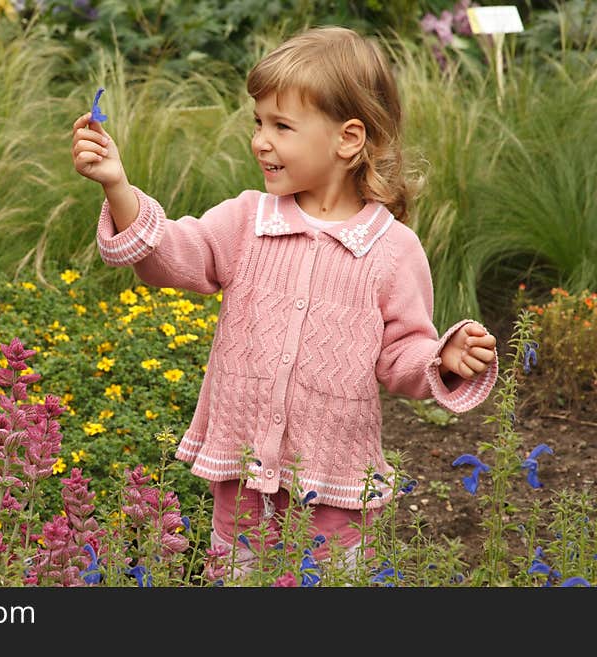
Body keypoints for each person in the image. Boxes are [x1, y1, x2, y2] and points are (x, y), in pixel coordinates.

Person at [71, 26, 498, 574]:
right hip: (245, 479)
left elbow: (399, 357)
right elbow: (171, 256)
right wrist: (117, 187)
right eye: (258, 122)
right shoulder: (247, 221)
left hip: (334, 489)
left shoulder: (392, 250)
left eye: (281, 126)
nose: (260, 140)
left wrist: (441, 359)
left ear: (348, 139)